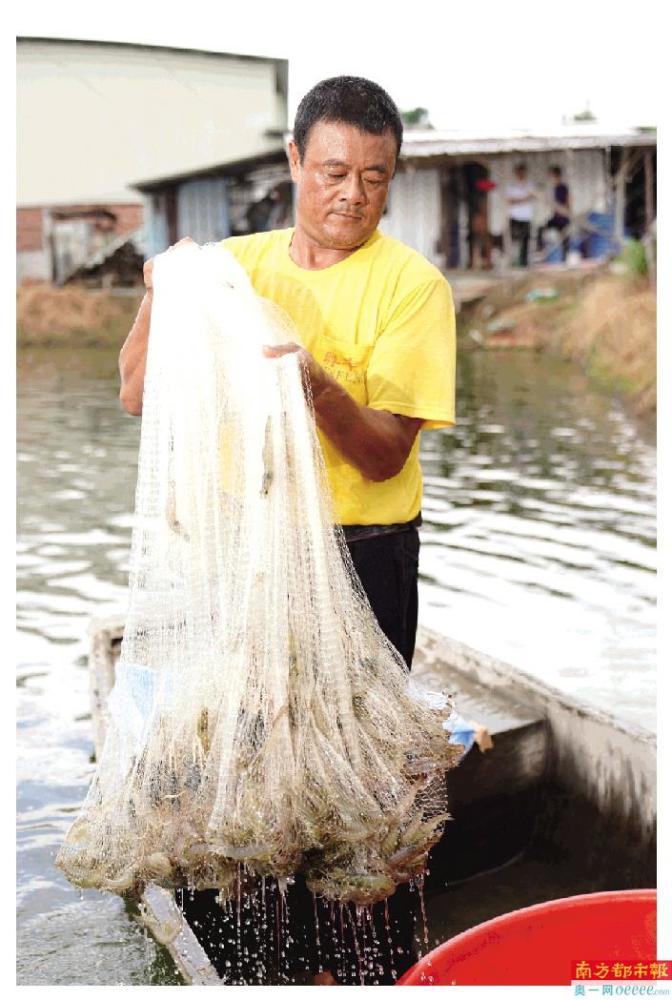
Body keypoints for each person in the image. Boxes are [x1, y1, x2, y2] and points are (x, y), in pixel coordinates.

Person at [118, 75, 456, 986]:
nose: (353, 194)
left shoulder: (412, 289)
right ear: (295, 162)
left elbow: (385, 455)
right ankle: (268, 966)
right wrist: (163, 288)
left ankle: (370, 968)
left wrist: (310, 380)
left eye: (376, 178)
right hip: (250, 560)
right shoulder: (232, 269)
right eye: (335, 170)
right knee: (254, 761)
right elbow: (139, 394)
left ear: (392, 180)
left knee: (360, 782)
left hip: (361, 558)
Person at [536, 164, 571, 260]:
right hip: (556, 217)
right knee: (541, 229)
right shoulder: (553, 189)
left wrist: (556, 206)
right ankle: (540, 250)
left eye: (551, 176)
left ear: (556, 176)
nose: (550, 178)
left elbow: (567, 205)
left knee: (564, 238)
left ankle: (565, 258)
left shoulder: (563, 188)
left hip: (563, 218)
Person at [506, 162, 535, 266]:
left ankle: (524, 262)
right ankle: (513, 261)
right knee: (514, 240)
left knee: (525, 240)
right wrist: (524, 198)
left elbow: (532, 196)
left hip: (526, 216)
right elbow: (510, 200)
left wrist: (519, 199)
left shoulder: (529, 184)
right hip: (515, 216)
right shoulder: (512, 185)